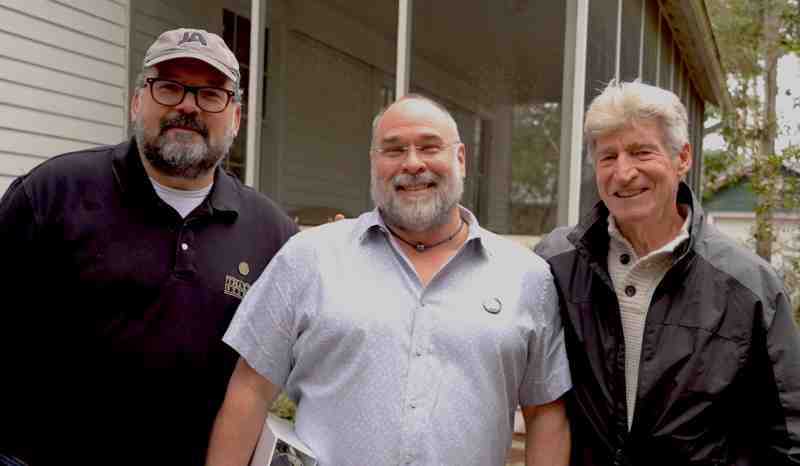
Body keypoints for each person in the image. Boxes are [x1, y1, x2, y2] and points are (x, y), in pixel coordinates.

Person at [205, 95, 572, 466]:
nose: (412, 163)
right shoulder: (309, 258)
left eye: (429, 147)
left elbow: (546, 414)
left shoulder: (526, 278)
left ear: (460, 159)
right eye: (394, 150)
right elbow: (249, 391)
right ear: (373, 163)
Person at [0, 28, 298, 465]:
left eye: (211, 93)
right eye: (168, 86)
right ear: (137, 101)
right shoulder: (51, 194)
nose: (187, 105)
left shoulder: (272, 236)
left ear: (236, 117)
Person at [534, 80, 800, 465]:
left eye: (642, 152)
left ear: (683, 157)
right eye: (609, 157)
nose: (624, 173)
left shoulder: (749, 286)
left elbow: (788, 436)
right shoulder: (556, 262)